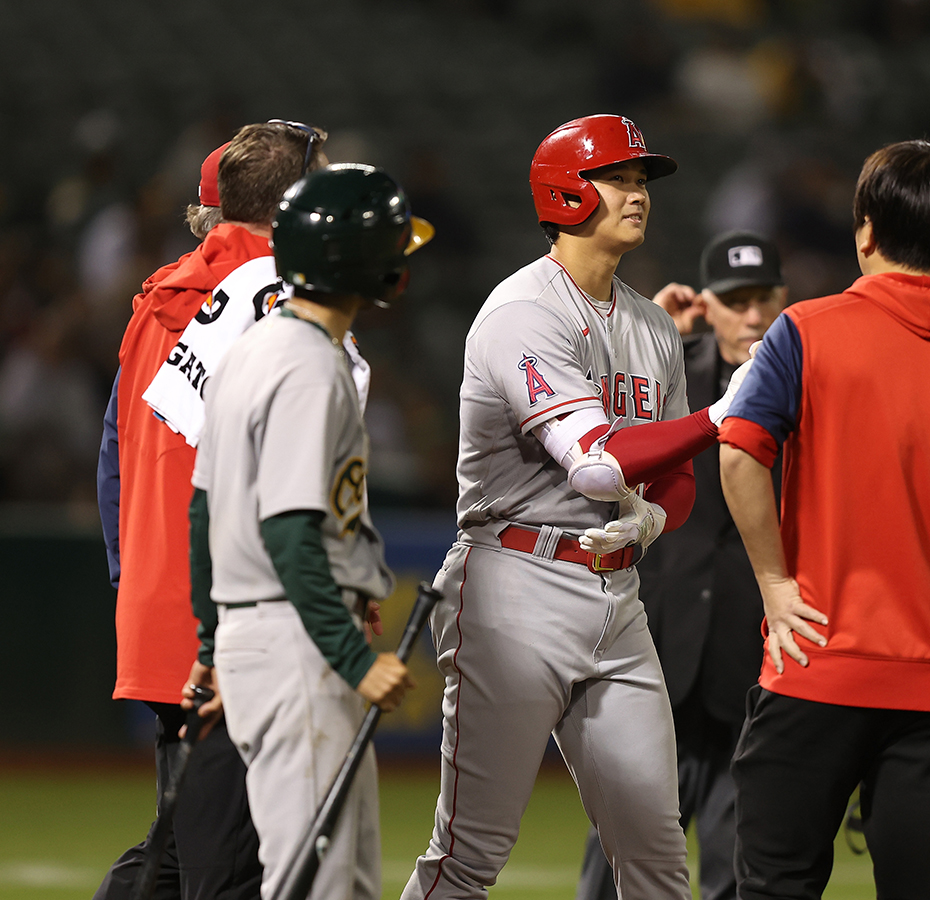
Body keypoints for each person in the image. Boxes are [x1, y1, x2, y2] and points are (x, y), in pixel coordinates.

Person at [400, 115, 754, 900]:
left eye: (642, 180)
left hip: (615, 596)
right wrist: (723, 415)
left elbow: (677, 481)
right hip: (511, 587)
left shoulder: (654, 326)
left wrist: (654, 518)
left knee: (657, 855)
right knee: (469, 854)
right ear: (566, 191)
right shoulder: (521, 311)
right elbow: (598, 466)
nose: (638, 194)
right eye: (619, 178)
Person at [718, 140, 930, 900]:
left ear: (866, 231)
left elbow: (739, 452)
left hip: (816, 666)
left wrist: (776, 586)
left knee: (775, 885)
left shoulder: (805, 330)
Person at [188, 163, 432, 900]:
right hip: (299, 645)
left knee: (333, 880)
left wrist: (213, 645)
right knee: (319, 883)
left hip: (258, 636)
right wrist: (354, 658)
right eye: (393, 246)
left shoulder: (251, 349)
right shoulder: (308, 367)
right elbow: (291, 531)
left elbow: (203, 512)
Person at [94, 126, 316, 900]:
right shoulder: (278, 305)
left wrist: (136, 584)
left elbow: (113, 460)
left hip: (160, 606)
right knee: (229, 869)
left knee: (177, 852)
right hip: (226, 619)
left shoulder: (154, 299)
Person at [576, 232, 787, 900]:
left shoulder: (805, 386)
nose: (752, 315)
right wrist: (647, 334)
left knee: (737, 850)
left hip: (751, 638)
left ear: (785, 300)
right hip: (657, 632)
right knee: (622, 841)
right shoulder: (662, 365)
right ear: (709, 303)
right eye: (736, 300)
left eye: (764, 299)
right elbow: (588, 437)